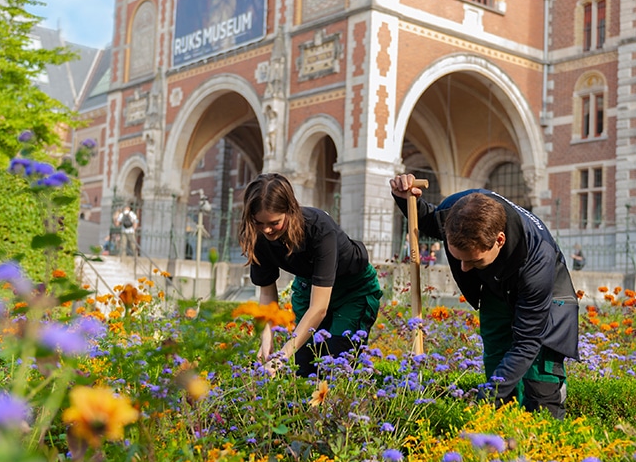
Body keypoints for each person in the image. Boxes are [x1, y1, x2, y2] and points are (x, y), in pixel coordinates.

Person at [390, 174, 579, 419]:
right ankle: (499, 430)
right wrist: (404, 198)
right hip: (495, 287)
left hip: (547, 297)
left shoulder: (537, 260)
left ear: (499, 240)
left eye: (474, 260)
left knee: (539, 385)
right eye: (459, 259)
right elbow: (427, 219)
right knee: (497, 362)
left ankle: (544, 431)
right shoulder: (457, 211)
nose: (464, 268)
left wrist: (486, 398)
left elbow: (527, 342)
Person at [239, 173, 383, 378]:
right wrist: (266, 339)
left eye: (274, 222)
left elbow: (319, 308)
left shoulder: (319, 228)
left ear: (290, 210)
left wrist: (282, 356)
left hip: (352, 289)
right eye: (259, 223)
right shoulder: (259, 237)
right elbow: (267, 294)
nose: (267, 230)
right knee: (305, 368)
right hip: (309, 287)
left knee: (336, 363)